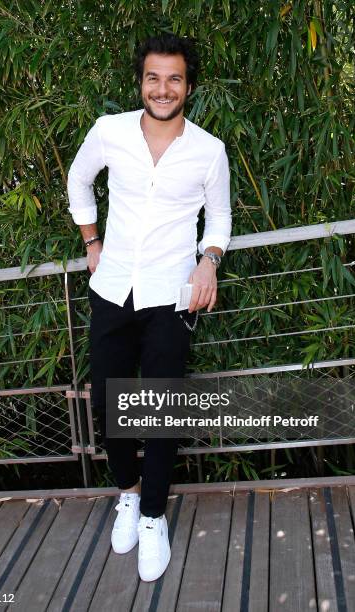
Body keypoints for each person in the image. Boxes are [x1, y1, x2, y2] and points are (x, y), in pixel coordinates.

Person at [67, 33, 231, 582]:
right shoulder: (110, 132)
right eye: (153, 78)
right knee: (110, 409)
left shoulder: (209, 150)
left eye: (175, 79)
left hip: (171, 297)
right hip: (112, 289)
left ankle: (154, 516)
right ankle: (129, 496)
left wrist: (208, 259)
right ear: (141, 82)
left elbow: (221, 219)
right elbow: (78, 179)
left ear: (189, 85)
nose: (163, 89)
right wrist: (92, 243)